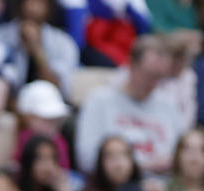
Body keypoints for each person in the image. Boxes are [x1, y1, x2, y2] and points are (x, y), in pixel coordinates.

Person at [74, 36, 182, 177]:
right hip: (115, 187)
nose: (154, 83)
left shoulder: (169, 104)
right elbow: (86, 160)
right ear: (131, 66)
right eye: (150, 75)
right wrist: (141, 167)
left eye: (160, 77)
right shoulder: (100, 100)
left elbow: (183, 152)